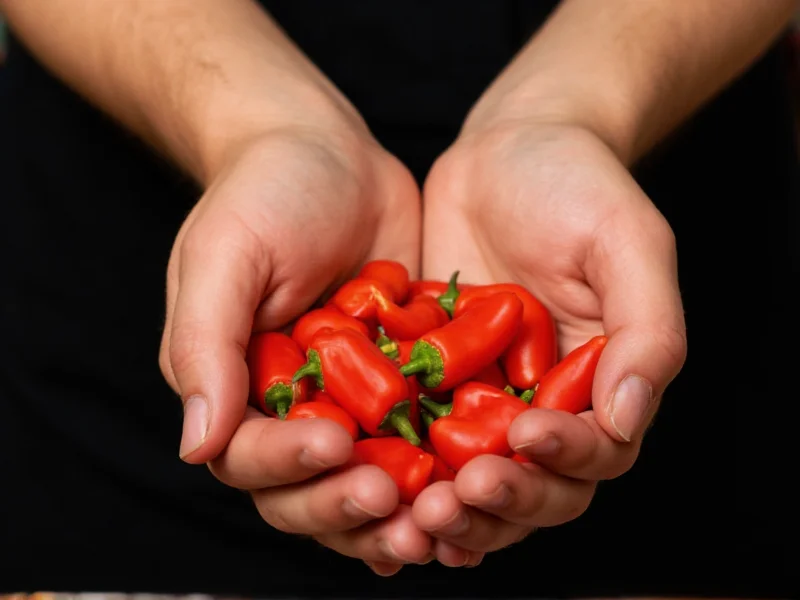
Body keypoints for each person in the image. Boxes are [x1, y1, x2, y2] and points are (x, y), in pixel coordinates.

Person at [0, 1, 796, 597]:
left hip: (677, 456)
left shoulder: (386, 349)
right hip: (112, 370)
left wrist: (568, 110)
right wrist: (257, 126)